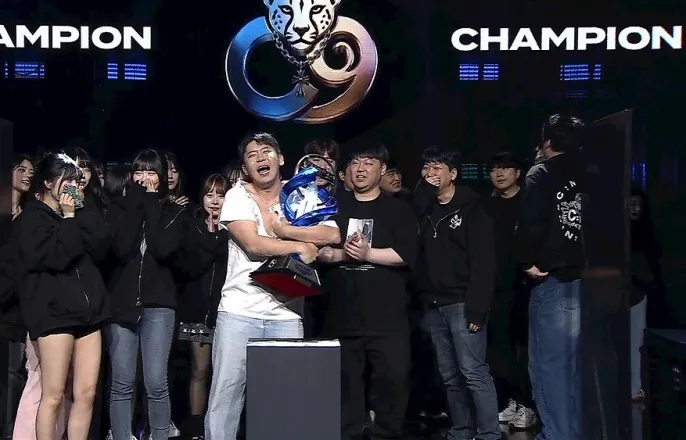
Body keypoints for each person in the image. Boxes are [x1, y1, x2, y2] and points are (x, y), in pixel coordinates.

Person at [205, 133, 339, 440]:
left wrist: (285, 230)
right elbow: (253, 244)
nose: (260, 158)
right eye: (252, 155)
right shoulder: (237, 195)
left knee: (284, 400)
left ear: (280, 159)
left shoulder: (303, 192)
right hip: (239, 311)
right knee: (226, 398)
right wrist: (300, 246)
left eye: (267, 152)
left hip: (286, 314)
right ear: (245, 167)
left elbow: (332, 235)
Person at [318, 140, 418, 440]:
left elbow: (407, 254)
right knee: (344, 388)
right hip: (342, 317)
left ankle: (385, 433)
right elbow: (318, 249)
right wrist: (337, 254)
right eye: (355, 162)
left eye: (368, 163)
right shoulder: (333, 207)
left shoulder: (398, 209)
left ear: (382, 169)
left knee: (393, 382)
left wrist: (367, 254)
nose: (360, 169)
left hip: (387, 320)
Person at [17, 152, 111, 440]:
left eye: (76, 181)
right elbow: (57, 256)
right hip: (54, 315)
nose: (73, 187)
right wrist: (69, 219)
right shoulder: (32, 217)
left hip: (89, 315)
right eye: (66, 180)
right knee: (54, 395)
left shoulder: (80, 212)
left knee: (86, 392)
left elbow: (101, 245)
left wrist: (79, 211)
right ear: (48, 182)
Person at [414, 146, 500, 440]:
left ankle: (489, 434)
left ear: (453, 174)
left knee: (473, 371)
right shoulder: (424, 207)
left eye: (438, 168)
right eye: (426, 167)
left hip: (463, 302)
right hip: (433, 303)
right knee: (449, 375)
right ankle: (462, 429)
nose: (431, 173)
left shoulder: (473, 208)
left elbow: (484, 262)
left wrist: (478, 308)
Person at [105, 149, 188, 440]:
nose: (145, 178)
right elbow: (122, 247)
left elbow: (161, 247)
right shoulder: (119, 208)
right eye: (139, 171)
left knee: (155, 382)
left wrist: (151, 203)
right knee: (122, 382)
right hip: (121, 304)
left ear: (162, 178)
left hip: (159, 306)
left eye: (151, 172)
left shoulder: (174, 212)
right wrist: (135, 204)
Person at [515, 114, 585, 440]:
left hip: (554, 280)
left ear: (546, 142)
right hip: (591, 282)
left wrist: (525, 261)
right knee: (574, 367)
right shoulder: (592, 173)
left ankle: (557, 435)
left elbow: (531, 223)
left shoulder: (541, 173)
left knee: (549, 367)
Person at [176, 174, 231, 438]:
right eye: (210, 195)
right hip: (197, 310)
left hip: (228, 310)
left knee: (225, 375)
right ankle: (196, 428)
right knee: (199, 371)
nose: (215, 201)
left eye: (221, 195)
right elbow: (191, 266)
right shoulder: (192, 226)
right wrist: (211, 234)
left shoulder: (235, 228)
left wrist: (222, 232)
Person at [485, 152, 537, 430]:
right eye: (494, 169)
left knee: (524, 350)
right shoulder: (487, 206)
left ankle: (527, 404)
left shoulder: (529, 202)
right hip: (495, 287)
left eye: (505, 168)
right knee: (499, 349)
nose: (499, 173)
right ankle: (509, 401)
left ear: (518, 173)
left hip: (525, 286)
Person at [628, 189, 663, 402]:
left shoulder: (646, 233)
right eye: (632, 204)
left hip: (637, 294)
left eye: (639, 205)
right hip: (615, 293)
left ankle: (634, 388)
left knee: (635, 344)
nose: (636, 209)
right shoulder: (618, 234)